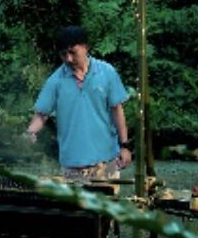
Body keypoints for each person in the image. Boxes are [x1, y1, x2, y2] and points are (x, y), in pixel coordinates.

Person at [25, 24, 132, 181]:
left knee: (107, 205)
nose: (68, 59)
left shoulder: (107, 72)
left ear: (86, 47)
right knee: (76, 206)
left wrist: (125, 146)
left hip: (107, 160)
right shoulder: (55, 81)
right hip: (72, 164)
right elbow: (41, 114)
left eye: (73, 52)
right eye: (63, 54)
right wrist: (31, 132)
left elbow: (117, 110)